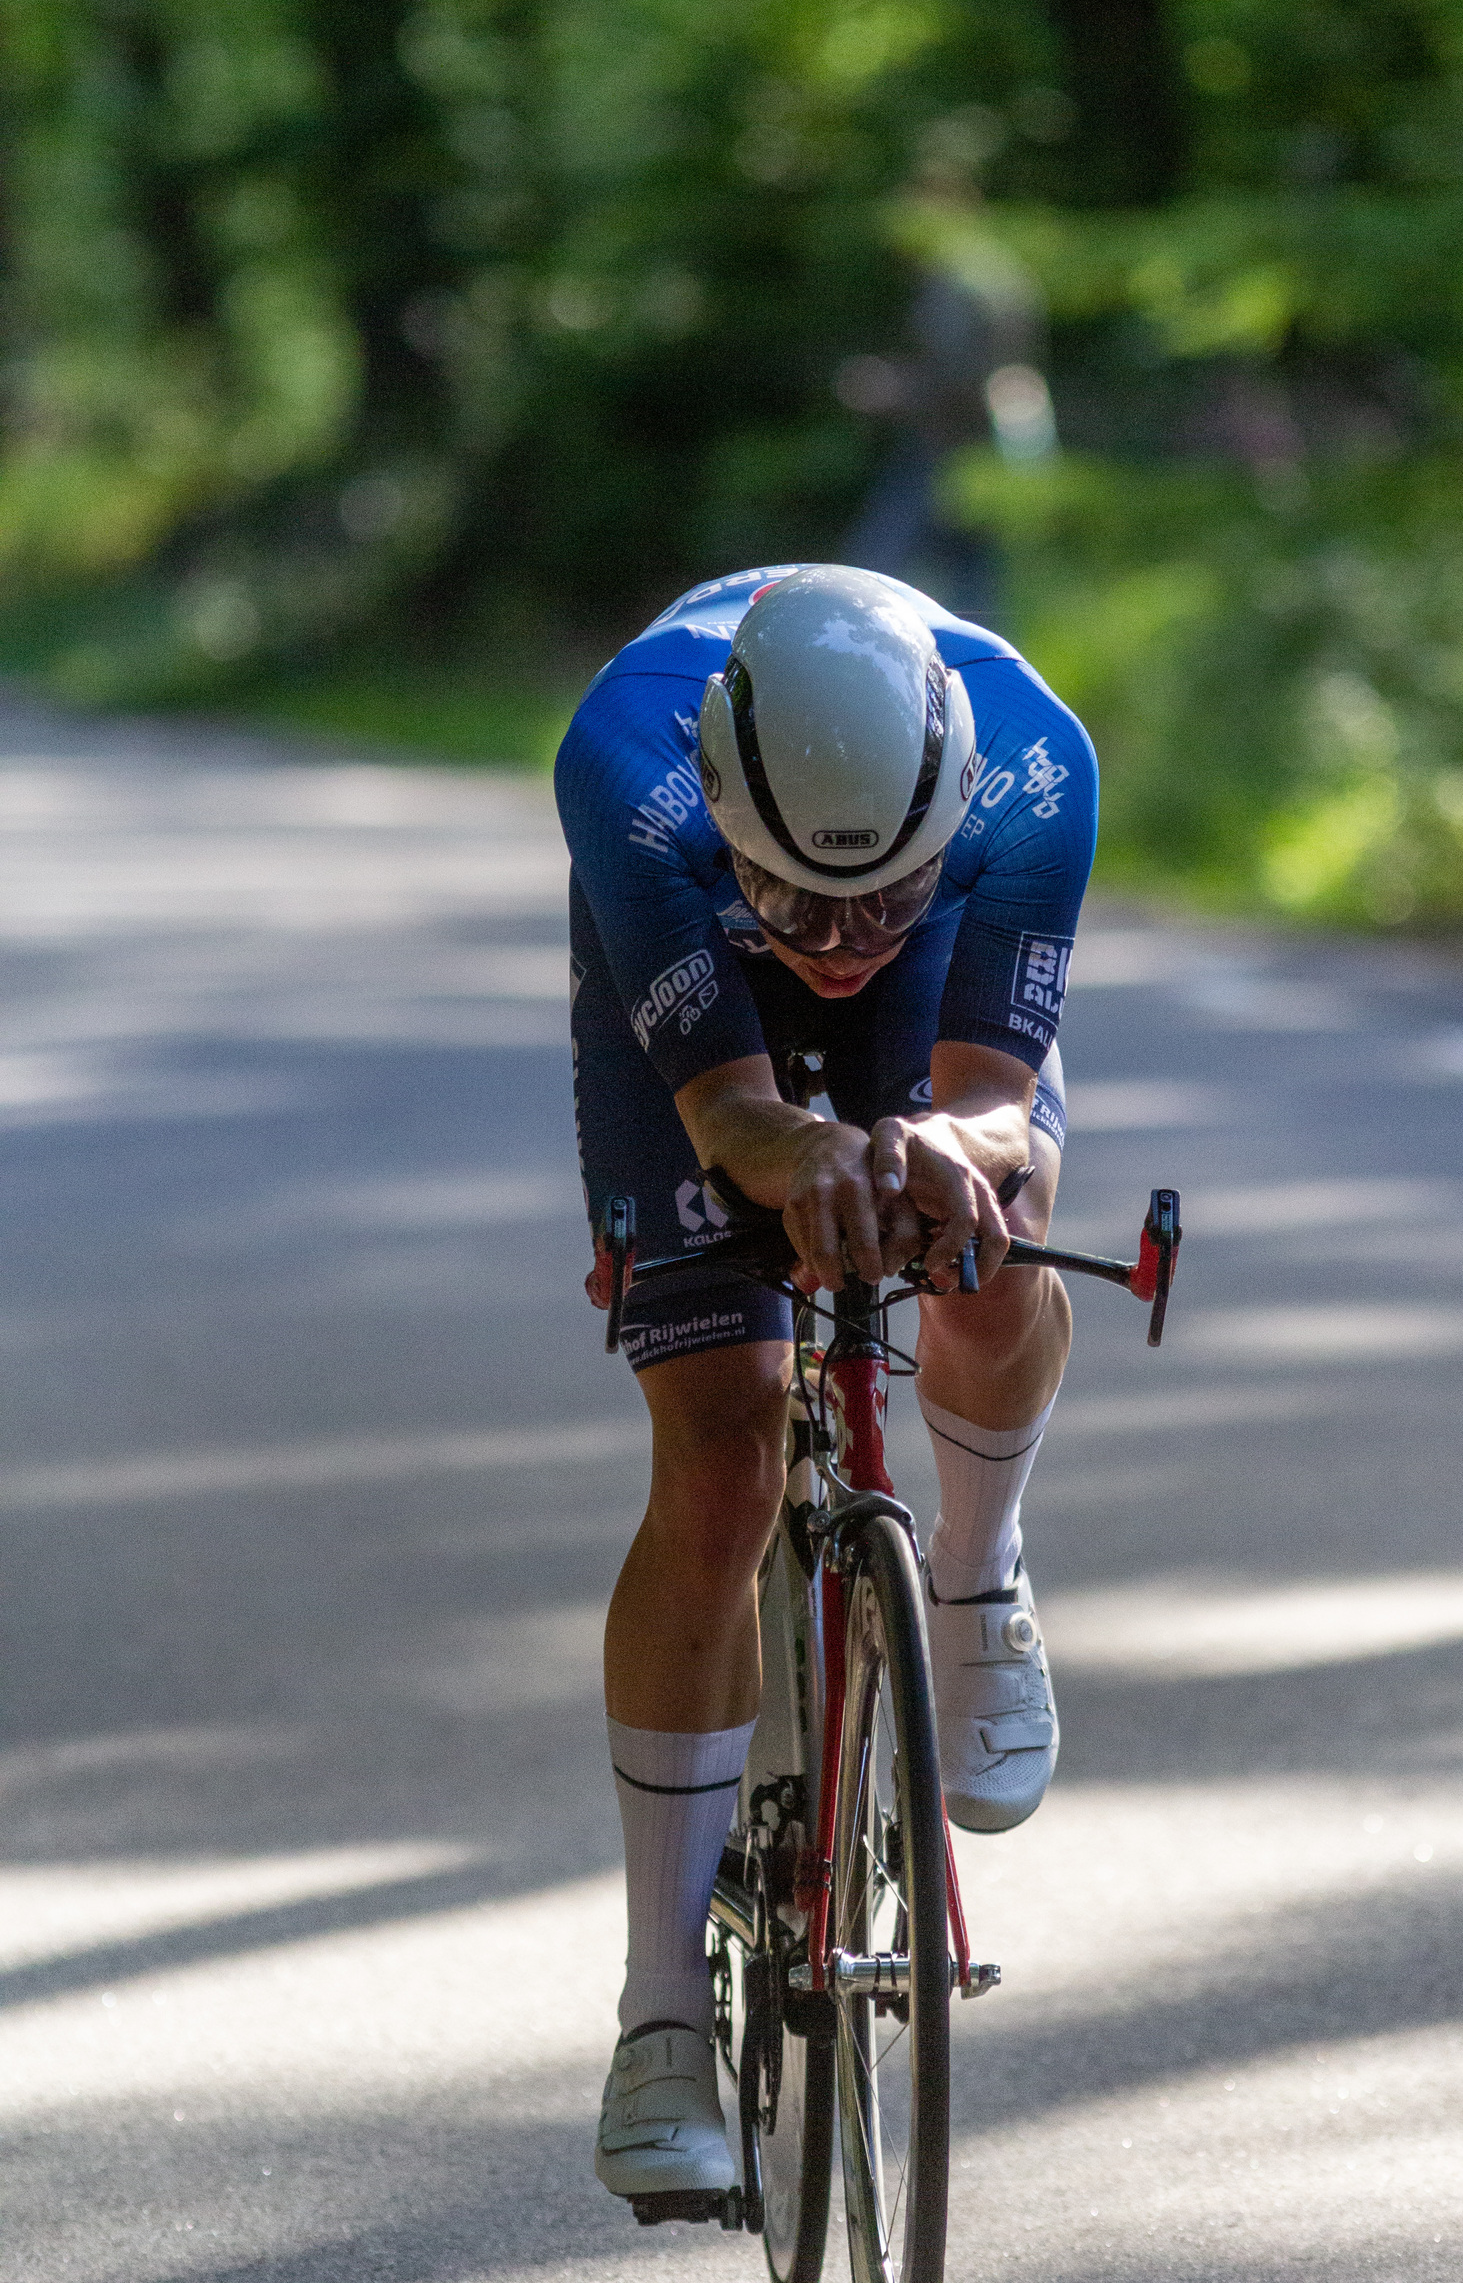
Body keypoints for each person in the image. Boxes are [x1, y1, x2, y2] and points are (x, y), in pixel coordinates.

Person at [554, 563, 1097, 2204]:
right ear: (726, 818)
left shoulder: (1032, 769)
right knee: (720, 1439)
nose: (847, 945)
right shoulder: (630, 771)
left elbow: (996, 1103)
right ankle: (660, 2014)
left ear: (949, 826)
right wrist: (783, 1138)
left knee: (993, 1243)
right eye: (802, 901)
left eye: (886, 902)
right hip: (698, 995)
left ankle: (979, 1579)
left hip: (940, 940)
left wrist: (957, 1151)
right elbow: (727, 1115)